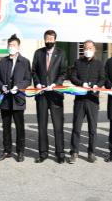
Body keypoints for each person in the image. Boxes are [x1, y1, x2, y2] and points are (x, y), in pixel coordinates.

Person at [0, 34, 32, 163]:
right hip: (5, 100)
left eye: (13, 45)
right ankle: (7, 150)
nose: (11, 47)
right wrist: (1, 87)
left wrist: (18, 87)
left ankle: (20, 151)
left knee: (20, 127)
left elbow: (28, 79)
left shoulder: (25, 62)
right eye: (9, 45)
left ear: (18, 47)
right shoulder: (3, 61)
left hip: (18, 99)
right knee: (6, 127)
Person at [32, 29, 67, 164]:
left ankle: (60, 153)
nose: (49, 41)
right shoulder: (38, 53)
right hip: (41, 94)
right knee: (42, 125)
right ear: (44, 39)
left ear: (55, 40)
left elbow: (64, 72)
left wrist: (55, 84)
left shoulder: (61, 53)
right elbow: (34, 71)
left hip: (55, 94)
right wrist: (37, 83)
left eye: (51, 39)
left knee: (58, 126)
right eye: (47, 39)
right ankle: (43, 153)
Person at [69, 40, 105, 164]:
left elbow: (103, 79)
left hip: (93, 100)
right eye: (85, 48)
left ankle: (91, 153)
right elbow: (72, 77)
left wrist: (96, 86)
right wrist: (81, 83)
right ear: (83, 50)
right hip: (80, 100)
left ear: (94, 49)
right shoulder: (78, 62)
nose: (87, 50)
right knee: (76, 127)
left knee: (92, 129)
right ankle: (74, 152)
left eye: (90, 48)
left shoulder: (99, 64)